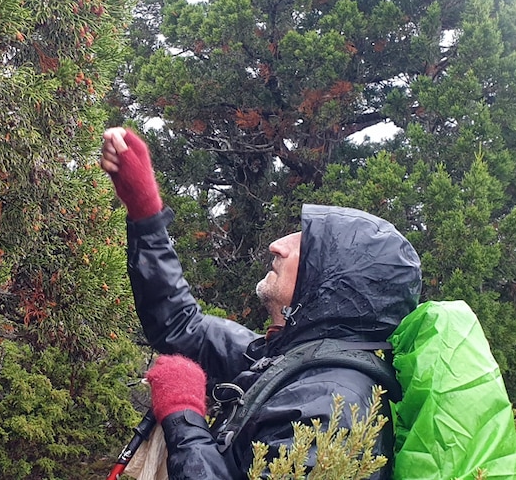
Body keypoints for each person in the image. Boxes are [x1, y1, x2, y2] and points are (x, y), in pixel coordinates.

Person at [100, 127, 422, 479]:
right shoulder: (284, 361)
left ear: (336, 282)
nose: (278, 245)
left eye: (305, 244)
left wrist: (184, 419)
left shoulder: (333, 404)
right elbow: (181, 326)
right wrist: (145, 214)